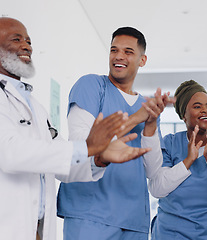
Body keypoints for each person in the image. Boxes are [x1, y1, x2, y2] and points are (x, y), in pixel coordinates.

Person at [0, 17, 150, 240]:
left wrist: (99, 159)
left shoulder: (34, 107)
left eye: (28, 40)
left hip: (34, 229)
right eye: (16, 39)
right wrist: (86, 147)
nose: (26, 46)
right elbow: (9, 153)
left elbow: (62, 167)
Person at [57, 27, 173, 240]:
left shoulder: (146, 106)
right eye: (114, 50)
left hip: (134, 219)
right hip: (90, 214)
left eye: (128, 51)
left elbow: (152, 171)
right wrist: (137, 118)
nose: (119, 56)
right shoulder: (91, 85)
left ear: (142, 60)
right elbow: (81, 144)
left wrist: (150, 124)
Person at [142, 80, 207, 239]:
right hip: (173, 232)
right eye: (197, 106)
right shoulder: (170, 143)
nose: (205, 110)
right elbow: (157, 189)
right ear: (183, 114)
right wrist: (188, 160)